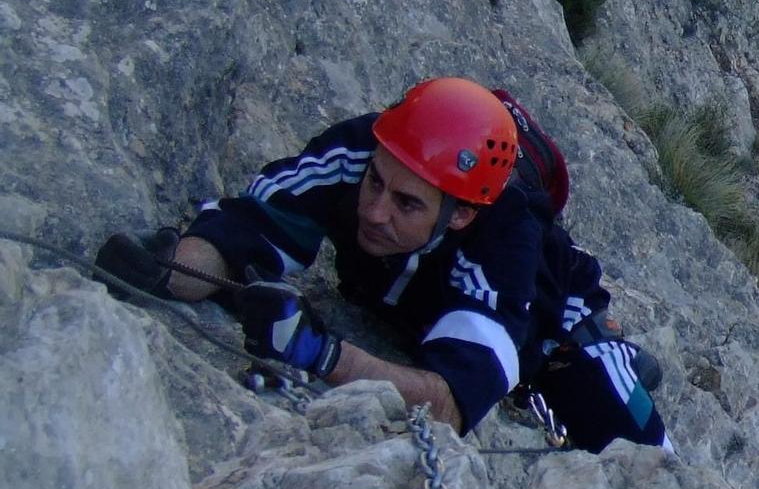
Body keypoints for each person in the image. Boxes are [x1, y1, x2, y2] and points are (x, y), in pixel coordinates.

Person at [102, 77, 671, 453]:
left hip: (559, 339)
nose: (373, 212)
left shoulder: (502, 245)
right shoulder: (361, 152)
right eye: (377, 183)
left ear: (460, 216)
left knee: (645, 454)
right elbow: (251, 225)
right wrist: (174, 270)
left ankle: (628, 374)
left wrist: (320, 354)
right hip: (419, 313)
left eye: (407, 204)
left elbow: (451, 401)